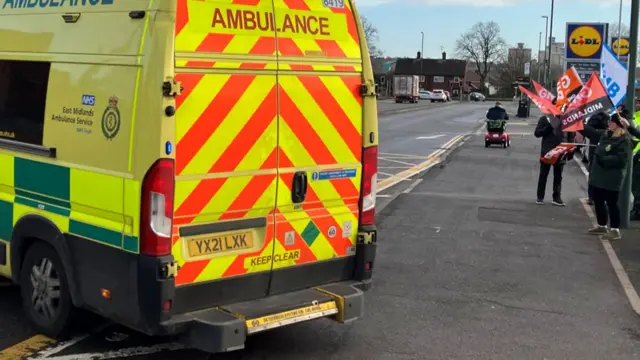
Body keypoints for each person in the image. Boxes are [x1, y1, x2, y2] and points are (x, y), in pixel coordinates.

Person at [581, 113, 633, 240]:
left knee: (612, 203)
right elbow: (591, 132)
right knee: (598, 201)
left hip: (612, 178)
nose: (609, 124)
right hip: (599, 176)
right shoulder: (605, 134)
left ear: (618, 124)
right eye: (609, 121)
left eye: (612, 122)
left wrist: (604, 159)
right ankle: (602, 225)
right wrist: (577, 123)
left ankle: (615, 229)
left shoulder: (624, 139)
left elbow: (622, 159)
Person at [535, 111, 575, 206]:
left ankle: (557, 197)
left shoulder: (567, 119)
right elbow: (537, 133)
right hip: (547, 151)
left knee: (558, 176)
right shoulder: (545, 118)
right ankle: (540, 197)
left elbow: (571, 136)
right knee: (543, 175)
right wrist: (549, 127)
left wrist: (571, 150)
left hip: (561, 150)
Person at [582, 111, 610, 205]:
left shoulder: (594, 133)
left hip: (594, 156)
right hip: (606, 159)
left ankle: (591, 197)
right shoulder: (608, 133)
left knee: (593, 177)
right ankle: (603, 197)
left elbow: (582, 128)